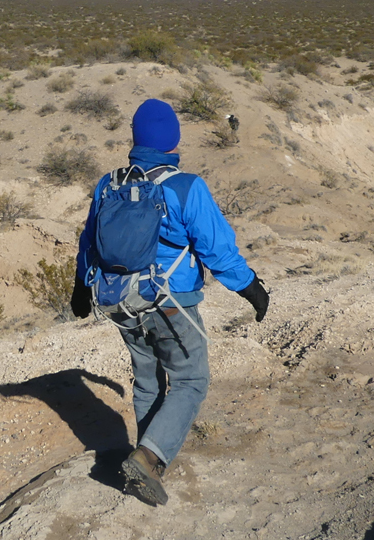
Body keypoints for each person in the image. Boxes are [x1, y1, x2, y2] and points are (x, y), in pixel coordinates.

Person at [70, 98, 270, 506]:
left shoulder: (109, 185)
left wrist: (79, 288)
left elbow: (88, 243)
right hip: (170, 302)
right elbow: (216, 249)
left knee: (147, 382)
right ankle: (147, 458)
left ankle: (147, 459)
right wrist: (250, 287)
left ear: (136, 138)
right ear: (173, 139)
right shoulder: (185, 186)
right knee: (191, 380)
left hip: (120, 302)